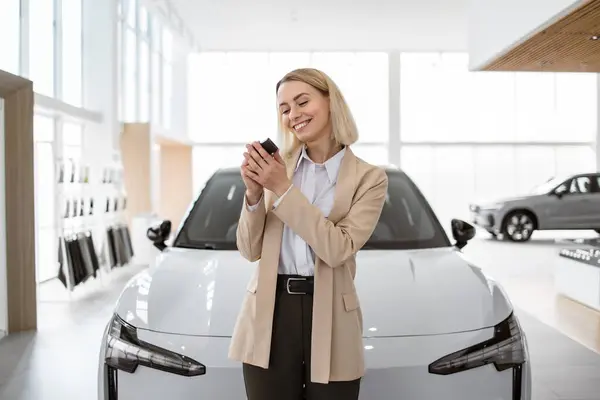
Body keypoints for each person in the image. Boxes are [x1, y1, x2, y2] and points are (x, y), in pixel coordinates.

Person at [228, 68, 388, 400]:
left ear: (331, 102)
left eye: (302, 102)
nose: (293, 115)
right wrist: (255, 195)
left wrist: (282, 189)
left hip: (331, 313)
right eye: (284, 108)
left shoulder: (369, 179)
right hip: (270, 312)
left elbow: (338, 249)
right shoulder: (277, 169)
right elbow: (248, 249)